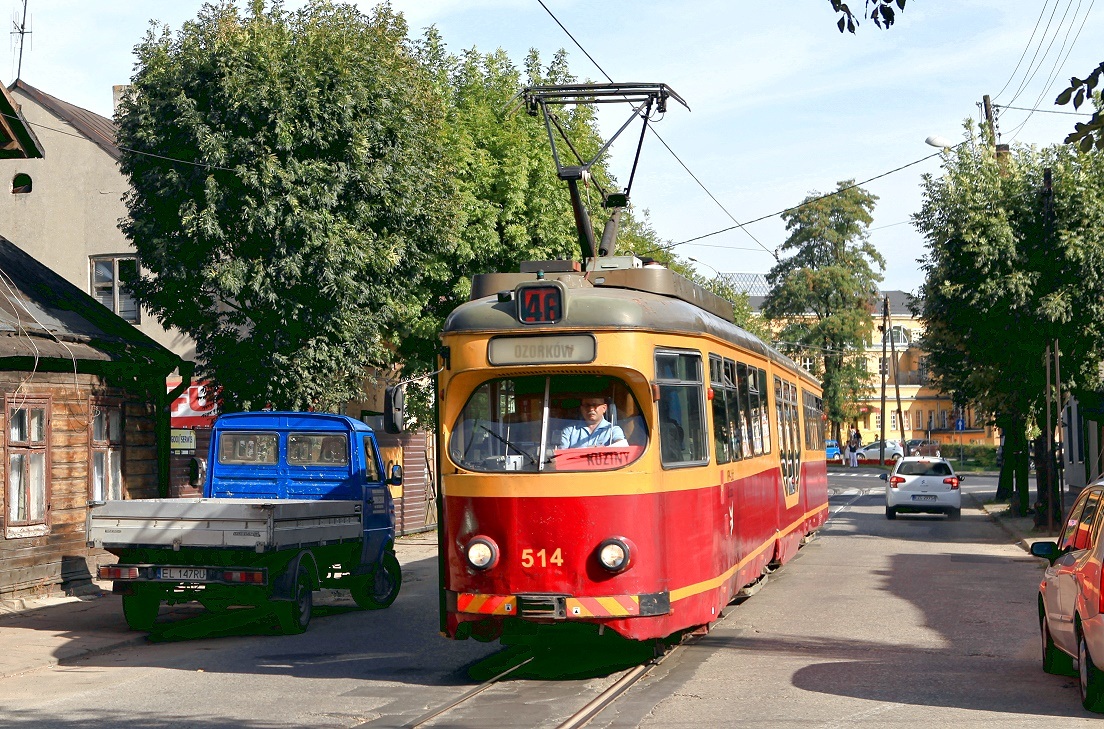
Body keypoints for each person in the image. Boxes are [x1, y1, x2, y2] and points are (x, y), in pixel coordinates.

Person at [559, 396, 628, 448]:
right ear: (581, 409)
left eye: (595, 405)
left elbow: (621, 448)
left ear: (604, 408)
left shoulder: (613, 430)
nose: (591, 409)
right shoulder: (569, 430)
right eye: (587, 405)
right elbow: (560, 455)